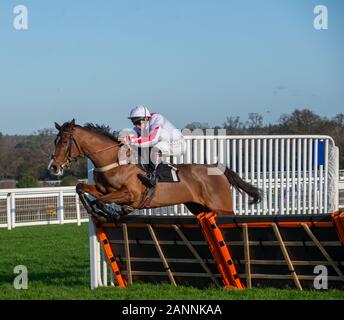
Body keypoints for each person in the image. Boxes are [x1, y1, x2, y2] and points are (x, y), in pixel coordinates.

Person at [124, 105, 186, 188]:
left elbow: (152, 139)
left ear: (146, 118)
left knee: (155, 147)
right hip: (164, 143)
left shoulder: (157, 121)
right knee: (140, 148)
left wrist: (131, 142)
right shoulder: (142, 123)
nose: (136, 125)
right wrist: (126, 139)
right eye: (134, 122)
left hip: (178, 145)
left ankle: (152, 177)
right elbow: (133, 135)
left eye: (138, 122)